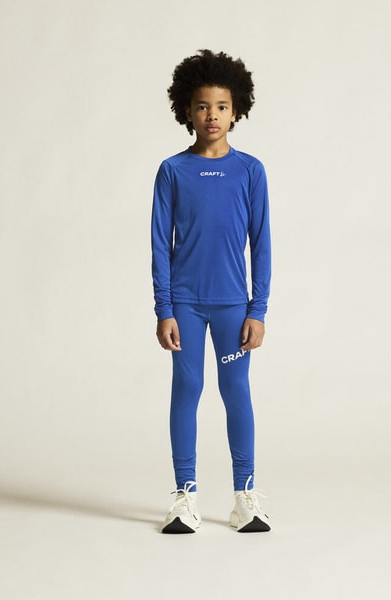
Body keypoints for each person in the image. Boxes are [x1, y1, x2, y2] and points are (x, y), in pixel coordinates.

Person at [151, 49, 271, 534]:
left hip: (232, 307)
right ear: (187, 110)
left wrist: (257, 309)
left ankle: (245, 497)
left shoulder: (250, 171)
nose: (212, 115)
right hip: (185, 304)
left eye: (221, 106)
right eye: (202, 106)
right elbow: (160, 244)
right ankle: (185, 497)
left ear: (236, 110)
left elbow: (261, 244)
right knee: (188, 388)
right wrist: (164, 308)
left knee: (235, 389)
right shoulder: (172, 170)